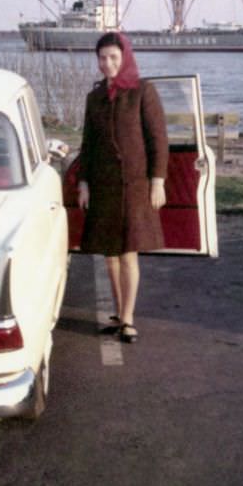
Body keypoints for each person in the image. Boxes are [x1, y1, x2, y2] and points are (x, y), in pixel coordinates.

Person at [77, 31, 168, 344]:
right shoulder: (95, 97)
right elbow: (88, 145)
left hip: (134, 185)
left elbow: (158, 139)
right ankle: (118, 312)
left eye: (114, 57)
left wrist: (158, 181)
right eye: (102, 58)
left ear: (125, 57)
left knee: (128, 253)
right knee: (109, 256)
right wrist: (84, 183)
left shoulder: (143, 91)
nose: (108, 64)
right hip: (102, 186)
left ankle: (127, 319)